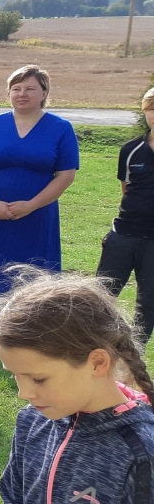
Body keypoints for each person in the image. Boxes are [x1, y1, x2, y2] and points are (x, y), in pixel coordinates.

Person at [0, 269, 154, 504]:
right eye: (15, 375)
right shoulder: (33, 422)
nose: (23, 393)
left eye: (38, 379)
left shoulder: (141, 455)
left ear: (97, 363)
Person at [0, 65, 79, 356]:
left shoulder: (60, 128)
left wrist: (31, 205)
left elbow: (65, 175)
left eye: (29, 88)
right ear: (8, 93)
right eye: (16, 88)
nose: (22, 94)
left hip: (38, 217)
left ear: (44, 93)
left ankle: (34, 339)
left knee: (37, 270)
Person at [97, 86, 154, 346]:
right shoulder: (131, 149)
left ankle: (135, 364)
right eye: (151, 108)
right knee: (101, 299)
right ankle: (92, 352)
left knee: (148, 305)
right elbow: (127, 190)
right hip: (123, 236)